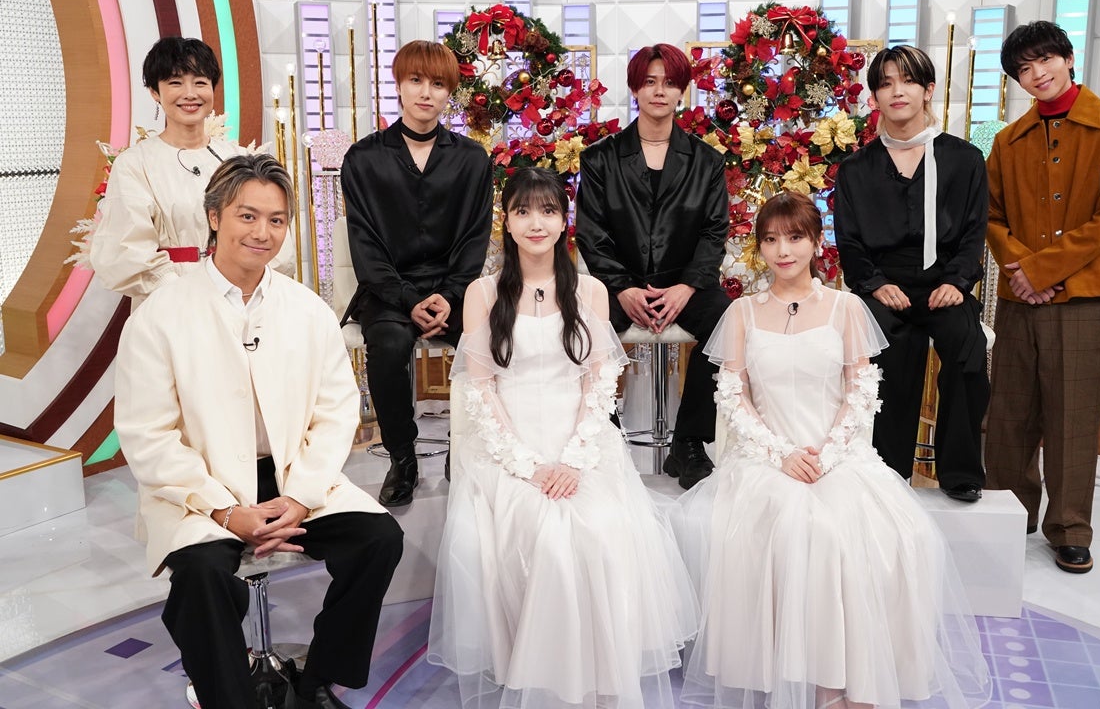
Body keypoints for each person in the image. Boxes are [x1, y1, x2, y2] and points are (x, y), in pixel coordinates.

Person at [675, 191, 991, 709]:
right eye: (771, 239)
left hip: (837, 453)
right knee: (808, 531)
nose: (783, 250)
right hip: (764, 458)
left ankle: (852, 681)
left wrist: (828, 452)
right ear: (759, 247)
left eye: (795, 237)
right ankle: (820, 682)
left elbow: (860, 391)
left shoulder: (846, 308)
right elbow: (733, 396)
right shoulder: (742, 313)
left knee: (902, 535)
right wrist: (780, 454)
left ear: (817, 242)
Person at [114, 154, 404, 709]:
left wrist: (300, 497)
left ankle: (319, 679)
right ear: (214, 217)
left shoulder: (307, 309)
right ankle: (229, 697)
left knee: (378, 540)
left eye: (276, 220)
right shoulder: (160, 315)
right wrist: (227, 512)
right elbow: (147, 434)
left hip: (293, 477)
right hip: (203, 489)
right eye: (247, 216)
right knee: (201, 574)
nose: (262, 233)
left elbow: (336, 411)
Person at [428, 168, 698, 709]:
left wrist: (573, 459)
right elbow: (481, 393)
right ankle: (541, 677)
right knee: (542, 538)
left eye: (548, 211)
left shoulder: (591, 291)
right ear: (507, 221)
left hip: (582, 445)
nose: (537, 223)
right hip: (507, 451)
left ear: (563, 221)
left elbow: (599, 386)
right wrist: (528, 465)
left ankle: (596, 680)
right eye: (524, 211)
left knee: (600, 533)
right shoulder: (482, 293)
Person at [985, 21, 1100, 575]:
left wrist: (1041, 271)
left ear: (1068, 59)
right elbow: (992, 218)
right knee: (1010, 411)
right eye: (1024, 69)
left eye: (1045, 59)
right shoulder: (1006, 141)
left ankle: (1070, 528)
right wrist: (1023, 273)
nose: (1038, 74)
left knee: (1073, 414)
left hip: (1083, 298)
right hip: (1020, 298)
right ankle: (1007, 514)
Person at [340, 40, 494, 506]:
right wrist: (408, 299)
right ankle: (402, 458)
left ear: (450, 93)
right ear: (399, 85)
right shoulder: (363, 158)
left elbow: (474, 237)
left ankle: (462, 449)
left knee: (488, 338)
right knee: (388, 345)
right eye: (416, 80)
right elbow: (366, 246)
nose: (426, 92)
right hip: (388, 291)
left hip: (454, 290)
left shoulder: (472, 159)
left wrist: (450, 293)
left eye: (438, 84)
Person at [834, 45, 990, 501]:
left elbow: (973, 233)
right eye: (885, 84)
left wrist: (957, 282)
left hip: (945, 281)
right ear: (874, 98)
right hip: (883, 284)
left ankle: (960, 472)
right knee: (889, 348)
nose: (896, 91)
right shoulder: (856, 169)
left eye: (907, 81)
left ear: (928, 90)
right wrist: (875, 284)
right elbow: (849, 242)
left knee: (966, 344)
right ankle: (887, 470)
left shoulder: (964, 159)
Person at [576, 42, 729, 489]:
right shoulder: (600, 158)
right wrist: (622, 287)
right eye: (649, 82)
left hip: (685, 285)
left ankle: (689, 443)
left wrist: (687, 287)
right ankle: (605, 437)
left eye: (669, 83)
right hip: (619, 285)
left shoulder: (707, 161)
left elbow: (713, 232)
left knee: (726, 319)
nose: (659, 91)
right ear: (635, 89)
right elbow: (592, 233)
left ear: (682, 91)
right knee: (583, 321)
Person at [92, 36, 293, 307]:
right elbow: (126, 252)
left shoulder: (240, 158)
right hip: (169, 303)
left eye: (200, 82)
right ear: (154, 92)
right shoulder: (135, 164)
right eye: (175, 83)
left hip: (243, 301)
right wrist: (190, 296)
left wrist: (243, 292)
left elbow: (274, 240)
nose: (190, 94)